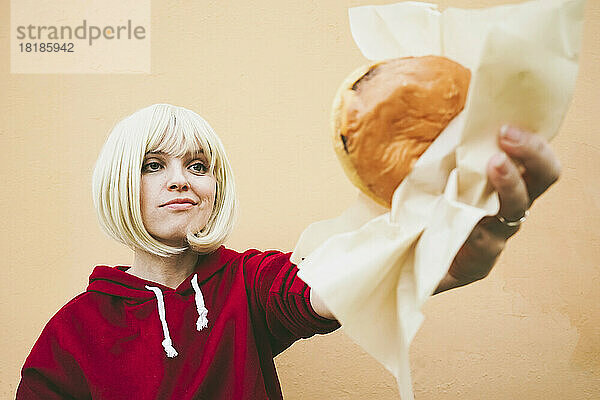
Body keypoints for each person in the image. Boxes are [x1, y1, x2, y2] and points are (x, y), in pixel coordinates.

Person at [16, 103, 561, 399]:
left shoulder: (247, 283)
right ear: (118, 182)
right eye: (154, 165)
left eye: (197, 166)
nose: (180, 180)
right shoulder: (71, 334)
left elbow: (327, 284)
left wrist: (434, 246)